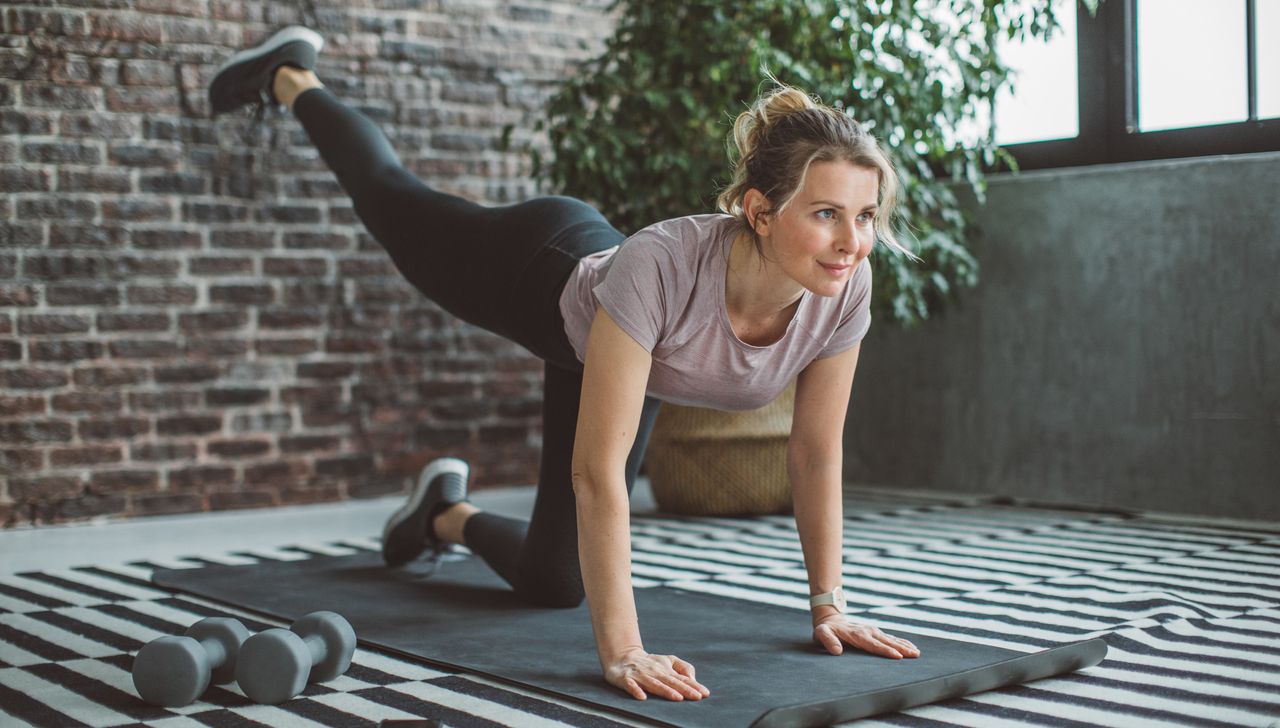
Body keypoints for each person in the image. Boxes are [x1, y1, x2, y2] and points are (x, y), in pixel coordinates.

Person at [209, 25, 922, 703]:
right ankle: (290, 75)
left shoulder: (845, 287)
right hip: (540, 272)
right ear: (761, 212)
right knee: (393, 198)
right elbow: (598, 475)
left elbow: (815, 449)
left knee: (554, 579)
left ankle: (441, 515)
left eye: (864, 216)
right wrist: (624, 650)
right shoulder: (663, 264)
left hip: (629, 357)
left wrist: (829, 606)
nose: (853, 242)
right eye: (827, 213)